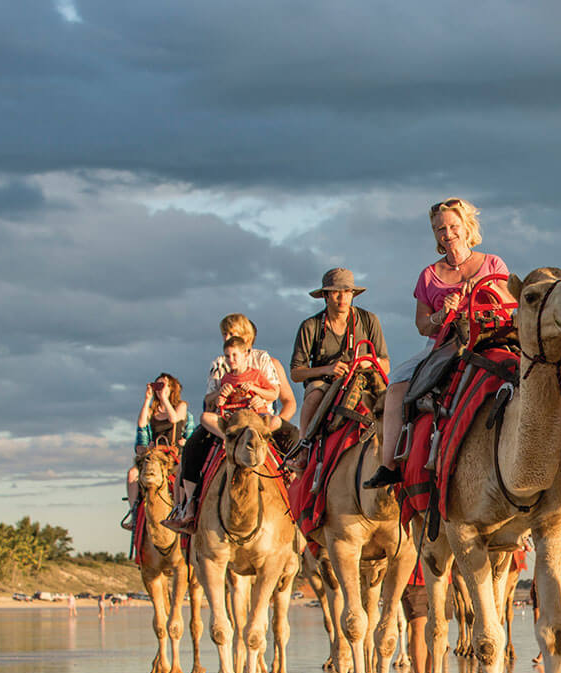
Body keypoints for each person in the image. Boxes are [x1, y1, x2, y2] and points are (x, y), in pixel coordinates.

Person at [363, 198, 507, 489]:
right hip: (444, 344)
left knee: (542, 362)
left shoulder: (492, 263)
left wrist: (486, 289)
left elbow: (508, 304)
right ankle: (389, 463)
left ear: (467, 228)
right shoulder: (429, 275)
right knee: (397, 384)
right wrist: (442, 314)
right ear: (435, 234)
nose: (448, 233)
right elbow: (422, 326)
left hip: (490, 336)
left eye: (453, 226)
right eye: (440, 228)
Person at [164, 314, 298, 532]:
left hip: (259, 418)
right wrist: (220, 394)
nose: (227, 337)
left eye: (231, 333)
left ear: (245, 337)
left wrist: (267, 414)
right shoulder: (220, 364)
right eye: (224, 334)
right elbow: (209, 402)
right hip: (228, 420)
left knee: (296, 439)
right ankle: (188, 507)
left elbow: (281, 397)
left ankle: (299, 498)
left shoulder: (265, 361)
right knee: (191, 447)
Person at [289, 268, 389, 451]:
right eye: (336, 292)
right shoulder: (311, 326)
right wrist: (326, 370)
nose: (342, 298)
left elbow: (385, 364)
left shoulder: (369, 320)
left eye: (347, 292)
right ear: (326, 296)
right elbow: (296, 373)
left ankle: (397, 450)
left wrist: (368, 361)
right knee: (315, 395)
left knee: (392, 402)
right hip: (326, 383)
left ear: (353, 294)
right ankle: (303, 446)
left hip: (364, 381)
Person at [122, 373, 191, 527]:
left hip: (172, 455)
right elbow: (141, 423)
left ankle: (183, 509)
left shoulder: (181, 405)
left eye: (163, 385)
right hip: (155, 454)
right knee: (132, 474)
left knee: (183, 473)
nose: (160, 388)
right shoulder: (154, 409)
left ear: (171, 388)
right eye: (157, 385)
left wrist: (165, 399)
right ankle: (134, 514)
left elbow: (174, 419)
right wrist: (147, 399)